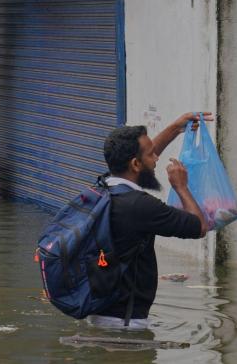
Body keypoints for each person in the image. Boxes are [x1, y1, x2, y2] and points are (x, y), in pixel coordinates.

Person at [87, 112, 212, 329]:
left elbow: (140, 163)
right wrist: (181, 186)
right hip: (127, 324)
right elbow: (199, 226)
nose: (156, 159)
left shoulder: (104, 187)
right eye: (151, 155)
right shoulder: (141, 206)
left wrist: (175, 127)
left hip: (100, 314)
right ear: (135, 164)